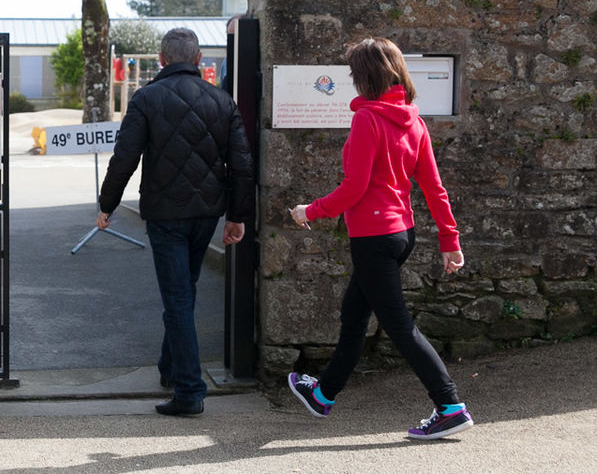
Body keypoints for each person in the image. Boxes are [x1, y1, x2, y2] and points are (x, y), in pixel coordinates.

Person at [286, 37, 473, 440]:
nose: (352, 81)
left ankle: (449, 405)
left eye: (354, 74)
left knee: (401, 328)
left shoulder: (367, 120)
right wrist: (449, 240)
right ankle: (323, 394)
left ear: (366, 77)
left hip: (374, 238)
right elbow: (434, 187)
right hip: (401, 235)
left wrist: (310, 211)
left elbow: (354, 188)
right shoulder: (414, 120)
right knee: (354, 315)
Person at [97, 27, 253, 416]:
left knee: (178, 299)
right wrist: (236, 216)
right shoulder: (222, 101)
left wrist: (106, 204)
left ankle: (189, 391)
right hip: (206, 215)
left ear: (162, 60)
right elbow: (243, 165)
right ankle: (171, 369)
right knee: (184, 292)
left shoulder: (146, 98)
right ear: (199, 60)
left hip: (165, 216)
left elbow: (125, 158)